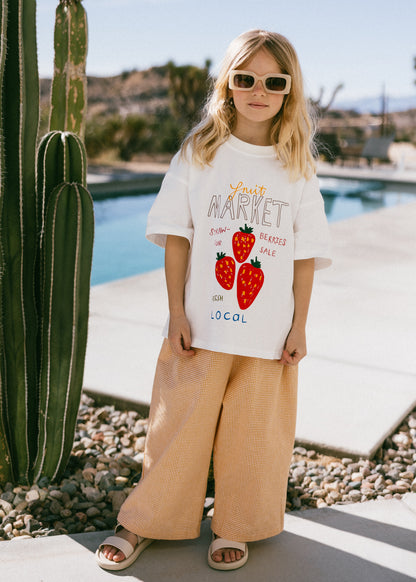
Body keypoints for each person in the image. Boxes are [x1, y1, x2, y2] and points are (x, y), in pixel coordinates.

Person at [96, 28, 331, 572]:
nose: (258, 90)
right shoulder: (201, 153)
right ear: (227, 84)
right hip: (202, 326)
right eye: (245, 78)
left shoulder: (298, 166)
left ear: (289, 90)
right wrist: (177, 312)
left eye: (274, 81)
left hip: (268, 335)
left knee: (255, 436)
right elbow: (177, 237)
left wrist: (299, 326)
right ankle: (145, 519)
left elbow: (305, 254)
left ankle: (237, 523)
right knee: (177, 427)